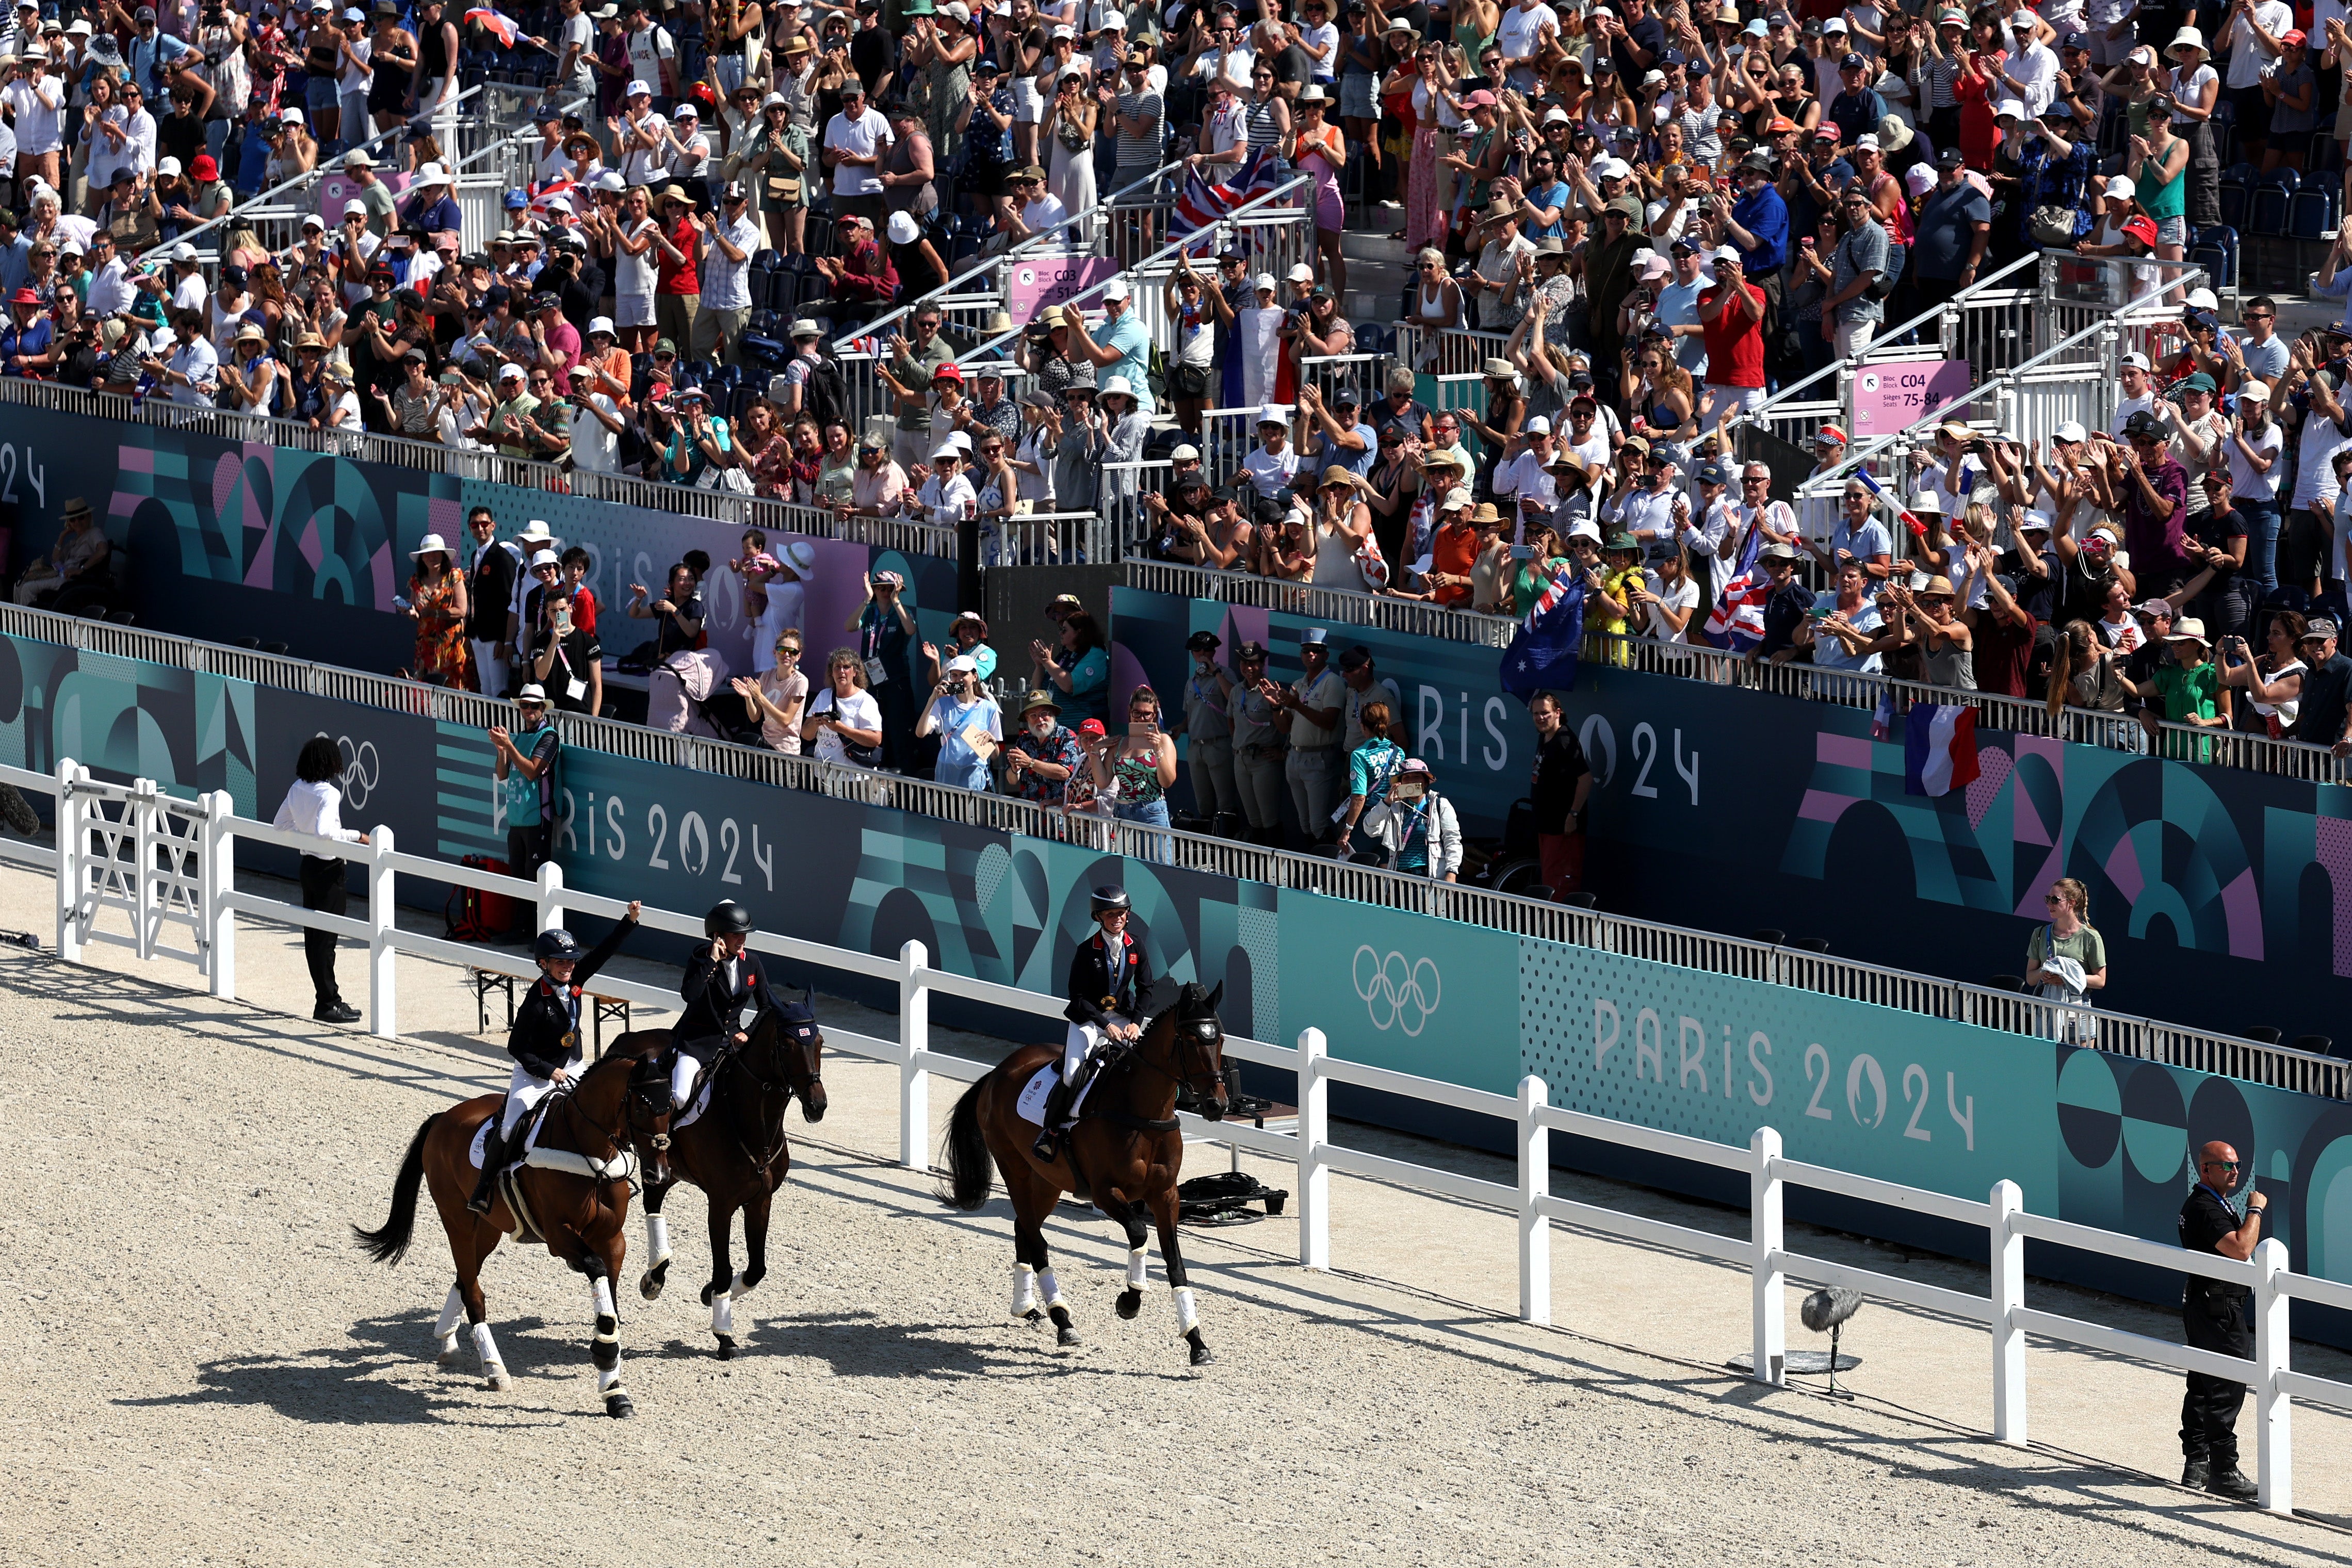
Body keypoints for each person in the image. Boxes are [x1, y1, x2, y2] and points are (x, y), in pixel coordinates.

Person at [467, 900, 645, 1213]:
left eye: (571, 961)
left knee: (607, 1108)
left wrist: (629, 921)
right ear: (543, 964)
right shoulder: (535, 1003)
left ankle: (617, 1173)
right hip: (535, 1071)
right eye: (560, 962)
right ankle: (483, 1188)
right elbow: (517, 1049)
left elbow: (603, 952)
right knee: (510, 1128)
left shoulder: (575, 982)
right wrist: (549, 1071)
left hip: (574, 1065)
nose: (568, 967)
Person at [1032, 883, 1153, 1162]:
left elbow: (1147, 988)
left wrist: (1135, 1022)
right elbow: (1077, 997)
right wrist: (1105, 1025)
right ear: (1099, 917)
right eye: (1110, 914)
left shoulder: (1137, 946)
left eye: (1121, 913)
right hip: (1088, 1018)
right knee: (1072, 1072)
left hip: (1123, 1016)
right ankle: (1050, 1132)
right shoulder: (1087, 951)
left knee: (1144, 1065)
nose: (1117, 918)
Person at [2175, 1139, 2267, 1500]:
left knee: (2201, 1383)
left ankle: (2196, 1463)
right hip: (2217, 1309)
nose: (2235, 1171)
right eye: (2226, 1166)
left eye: (2237, 1164)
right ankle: (2223, 1471)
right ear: (2205, 1170)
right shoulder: (2205, 1207)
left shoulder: (2207, 1203)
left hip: (2207, 1304)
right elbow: (2242, 1249)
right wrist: (2255, 1212)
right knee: (2226, 1387)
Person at [272, 736, 369, 1025]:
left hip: (308, 868)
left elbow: (281, 825)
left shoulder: (297, 789)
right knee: (325, 941)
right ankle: (328, 1002)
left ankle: (327, 999)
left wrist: (306, 833)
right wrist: (357, 836)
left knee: (315, 939)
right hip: (329, 872)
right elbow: (326, 832)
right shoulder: (329, 793)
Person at [670, 899, 784, 1113]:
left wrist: (749, 1033)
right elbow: (689, 995)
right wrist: (712, 962)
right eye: (735, 934)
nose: (742, 939)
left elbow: (767, 1006)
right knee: (683, 1096)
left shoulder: (752, 962)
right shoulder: (700, 958)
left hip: (732, 1041)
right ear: (718, 936)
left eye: (744, 934)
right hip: (697, 1042)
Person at [489, 684, 560, 906]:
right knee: (518, 878)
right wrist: (501, 751)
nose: (529, 710)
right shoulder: (519, 739)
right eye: (524, 705)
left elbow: (532, 772)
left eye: (534, 706)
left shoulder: (549, 737)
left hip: (537, 819)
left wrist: (508, 745)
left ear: (543, 708)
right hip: (517, 819)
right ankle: (519, 929)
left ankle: (534, 932)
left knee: (534, 879)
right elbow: (502, 774)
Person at [1529, 690, 1592, 900]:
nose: (1540, 718)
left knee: (1561, 887)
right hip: (1546, 826)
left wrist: (1573, 816)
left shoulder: (1564, 742)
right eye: (1536, 713)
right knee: (1549, 882)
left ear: (1558, 712)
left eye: (1545, 713)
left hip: (1563, 829)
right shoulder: (1545, 735)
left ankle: (1563, 931)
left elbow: (1585, 779)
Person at [916, 654, 1002, 791]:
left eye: (964, 674)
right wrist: (933, 698)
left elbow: (995, 755)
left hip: (974, 779)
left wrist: (993, 742)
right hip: (947, 777)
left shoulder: (989, 708)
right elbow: (921, 733)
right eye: (954, 675)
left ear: (975, 677)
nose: (959, 679)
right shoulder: (943, 703)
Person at [402, 531, 469, 687]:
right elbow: (416, 613)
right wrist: (411, 612)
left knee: (453, 687)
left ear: (443, 555)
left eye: (436, 553)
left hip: (451, 645)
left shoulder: (454, 576)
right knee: (426, 688)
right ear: (422, 558)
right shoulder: (416, 580)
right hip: (425, 646)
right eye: (427, 554)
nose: (431, 557)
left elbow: (461, 610)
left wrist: (435, 613)